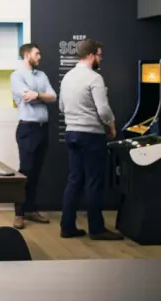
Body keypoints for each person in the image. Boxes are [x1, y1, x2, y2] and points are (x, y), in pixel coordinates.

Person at [58, 39, 123, 240]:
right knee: (95, 181)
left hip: (72, 133)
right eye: (100, 54)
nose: (101, 58)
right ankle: (96, 229)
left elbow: (61, 106)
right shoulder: (95, 78)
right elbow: (103, 109)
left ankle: (67, 227)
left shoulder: (67, 77)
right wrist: (111, 125)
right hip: (91, 135)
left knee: (74, 180)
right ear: (91, 55)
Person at [9, 43, 57, 229]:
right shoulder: (17, 76)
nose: (40, 57)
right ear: (27, 55)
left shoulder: (42, 75)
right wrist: (40, 96)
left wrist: (37, 94)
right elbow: (26, 97)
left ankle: (30, 209)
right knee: (26, 171)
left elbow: (53, 97)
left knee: (36, 171)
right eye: (37, 54)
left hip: (42, 128)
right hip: (27, 129)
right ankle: (19, 213)